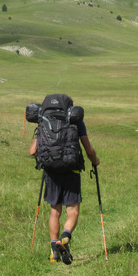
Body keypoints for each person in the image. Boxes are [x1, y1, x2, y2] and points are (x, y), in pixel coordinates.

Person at [29, 95, 100, 265]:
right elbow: (88, 149)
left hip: (51, 172)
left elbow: (32, 151)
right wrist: (95, 161)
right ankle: (65, 236)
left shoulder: (44, 121)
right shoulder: (75, 121)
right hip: (71, 170)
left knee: (55, 211)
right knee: (73, 211)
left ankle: (54, 252)